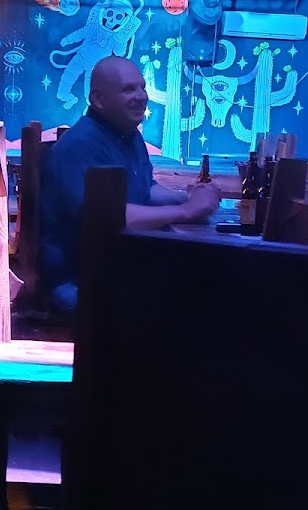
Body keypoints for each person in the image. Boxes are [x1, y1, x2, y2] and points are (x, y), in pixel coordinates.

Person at [39, 55, 221, 317]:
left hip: (116, 265)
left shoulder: (128, 134)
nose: (141, 96)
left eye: (142, 87)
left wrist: (187, 197)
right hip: (77, 280)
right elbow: (109, 218)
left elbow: (145, 189)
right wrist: (186, 211)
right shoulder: (81, 144)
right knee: (191, 303)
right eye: (128, 89)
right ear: (98, 99)